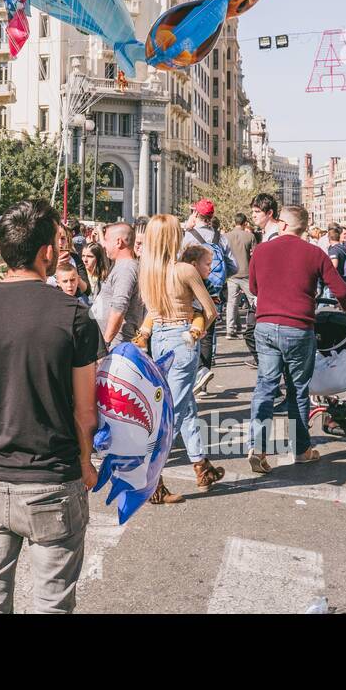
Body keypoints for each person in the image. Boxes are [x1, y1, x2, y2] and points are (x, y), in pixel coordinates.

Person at [0, 200, 99, 614]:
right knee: (52, 601)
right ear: (46, 252)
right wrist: (87, 461)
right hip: (51, 478)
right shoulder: (74, 315)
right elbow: (85, 410)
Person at [247, 205, 346, 475]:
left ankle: (258, 446)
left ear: (282, 224)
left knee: (265, 386)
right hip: (298, 327)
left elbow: (254, 288)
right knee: (298, 389)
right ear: (303, 227)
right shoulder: (315, 253)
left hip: (266, 325)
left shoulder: (261, 250)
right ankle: (302, 449)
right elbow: (340, 289)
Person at [133, 214, 221, 503]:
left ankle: (200, 465)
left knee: (185, 404)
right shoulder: (184, 270)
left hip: (159, 339)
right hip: (183, 337)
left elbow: (152, 313)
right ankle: (151, 480)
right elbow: (210, 311)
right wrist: (197, 330)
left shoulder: (147, 271)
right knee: (173, 412)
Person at [180, 200, 235, 392]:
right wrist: (218, 278)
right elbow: (233, 266)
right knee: (207, 334)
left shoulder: (188, 237)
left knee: (189, 331)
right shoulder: (221, 237)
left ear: (197, 214)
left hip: (191, 291)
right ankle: (203, 377)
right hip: (214, 292)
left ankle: (195, 374)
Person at [92, 222, 142, 350]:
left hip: (116, 345)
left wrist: (106, 343)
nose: (104, 246)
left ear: (118, 242)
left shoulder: (126, 268)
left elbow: (119, 306)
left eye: (107, 240)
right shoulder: (121, 265)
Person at [223, 213, 255, 339]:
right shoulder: (250, 236)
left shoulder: (226, 236)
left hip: (231, 274)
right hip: (246, 273)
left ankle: (230, 330)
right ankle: (252, 328)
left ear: (234, 222)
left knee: (232, 303)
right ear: (245, 223)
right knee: (253, 301)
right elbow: (255, 255)